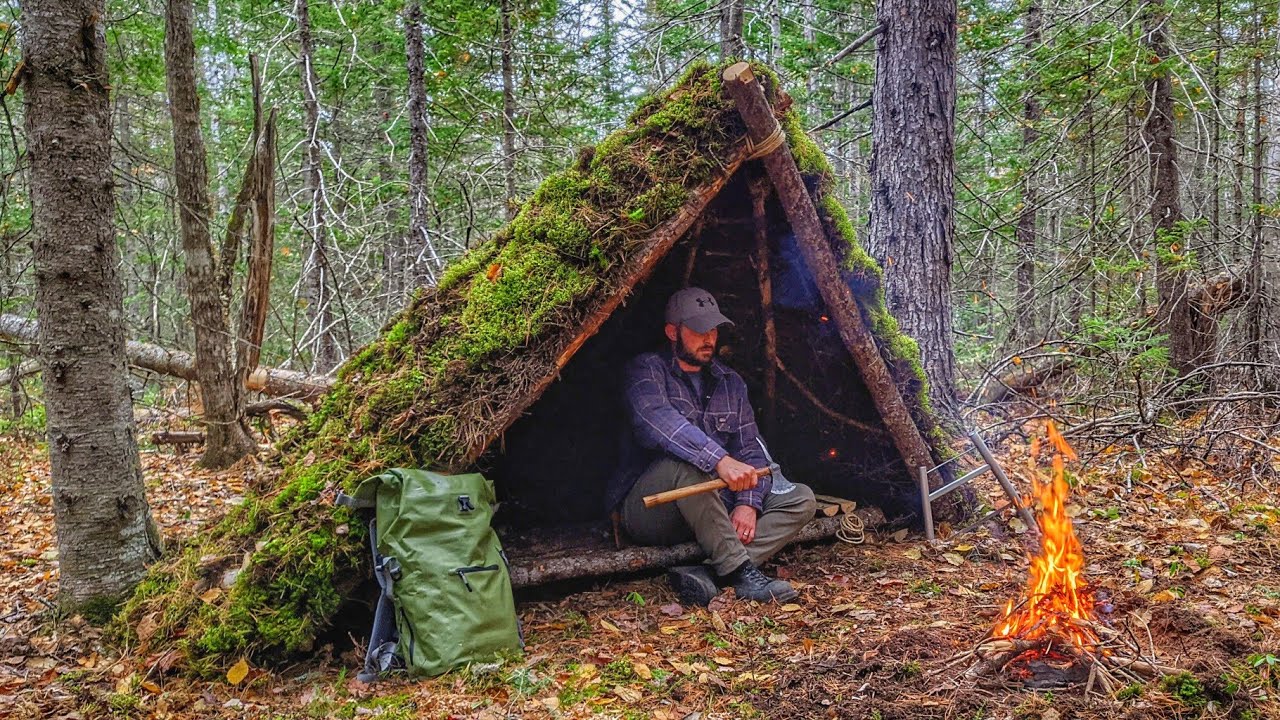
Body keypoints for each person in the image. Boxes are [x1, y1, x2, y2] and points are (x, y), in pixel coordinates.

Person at [606, 287, 817, 605]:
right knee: (690, 465)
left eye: (714, 329)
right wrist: (719, 460)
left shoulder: (731, 383)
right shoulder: (645, 370)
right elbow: (658, 422)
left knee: (801, 499)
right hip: (654, 509)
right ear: (672, 332)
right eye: (698, 329)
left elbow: (750, 448)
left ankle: (707, 574)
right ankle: (739, 573)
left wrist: (748, 502)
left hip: (716, 509)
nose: (709, 338)